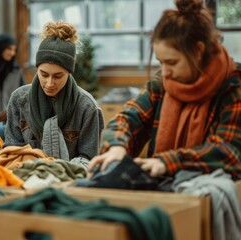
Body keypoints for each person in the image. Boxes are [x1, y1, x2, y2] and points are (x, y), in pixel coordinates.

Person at [89, 0, 241, 179]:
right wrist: (116, 146)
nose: (165, 72)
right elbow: (128, 119)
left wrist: (167, 162)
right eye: (161, 62)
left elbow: (229, 153)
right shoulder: (161, 85)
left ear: (198, 51)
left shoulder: (233, 86)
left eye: (172, 62)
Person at [4, 20, 105, 169]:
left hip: (69, 181)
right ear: (37, 69)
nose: (50, 83)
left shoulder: (88, 108)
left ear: (69, 72)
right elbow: (12, 152)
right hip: (24, 179)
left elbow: (90, 159)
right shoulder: (19, 100)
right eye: (44, 74)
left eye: (58, 76)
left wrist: (57, 172)